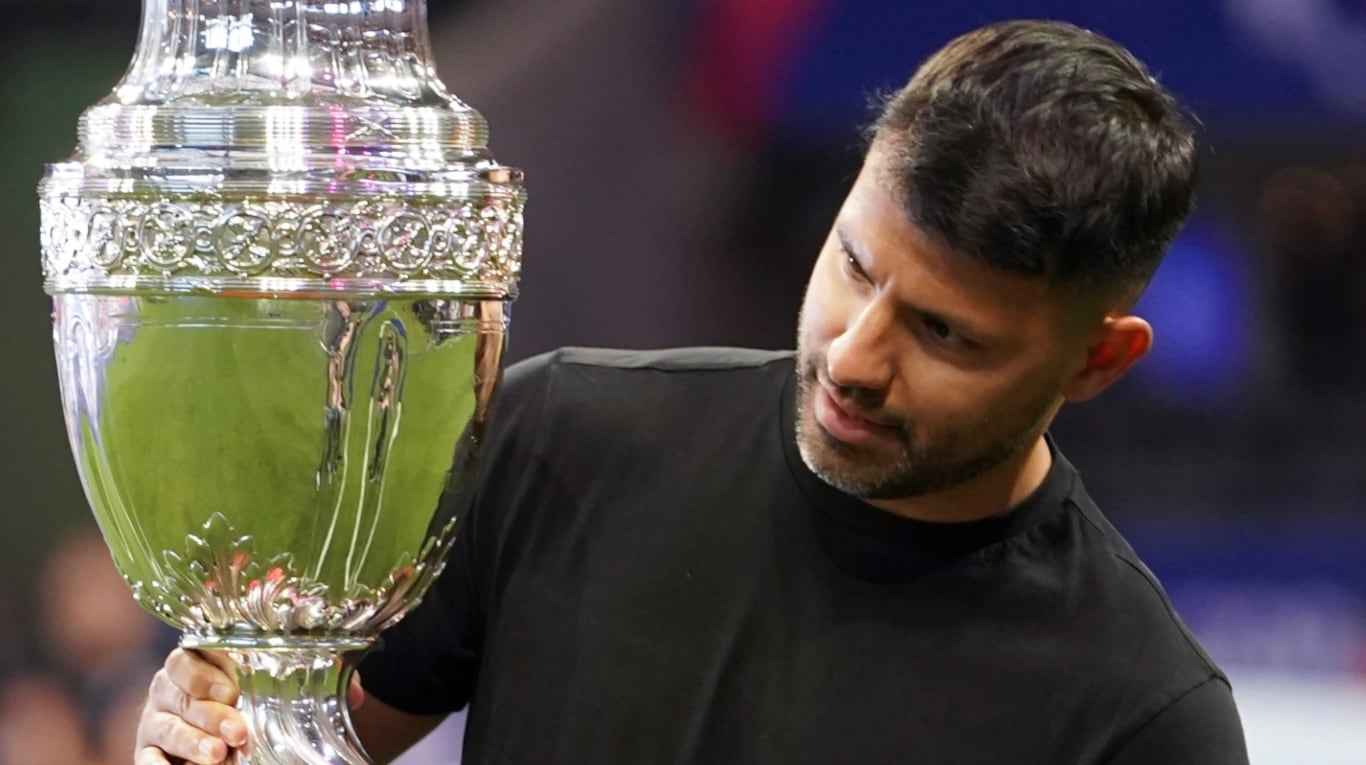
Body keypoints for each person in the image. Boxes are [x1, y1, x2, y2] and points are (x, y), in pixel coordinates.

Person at [135, 19, 1249, 764]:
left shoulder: (1136, 719)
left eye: (946, 334)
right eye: (855, 266)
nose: (856, 355)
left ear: (1097, 361)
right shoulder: (557, 439)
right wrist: (218, 724)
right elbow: (307, 730)